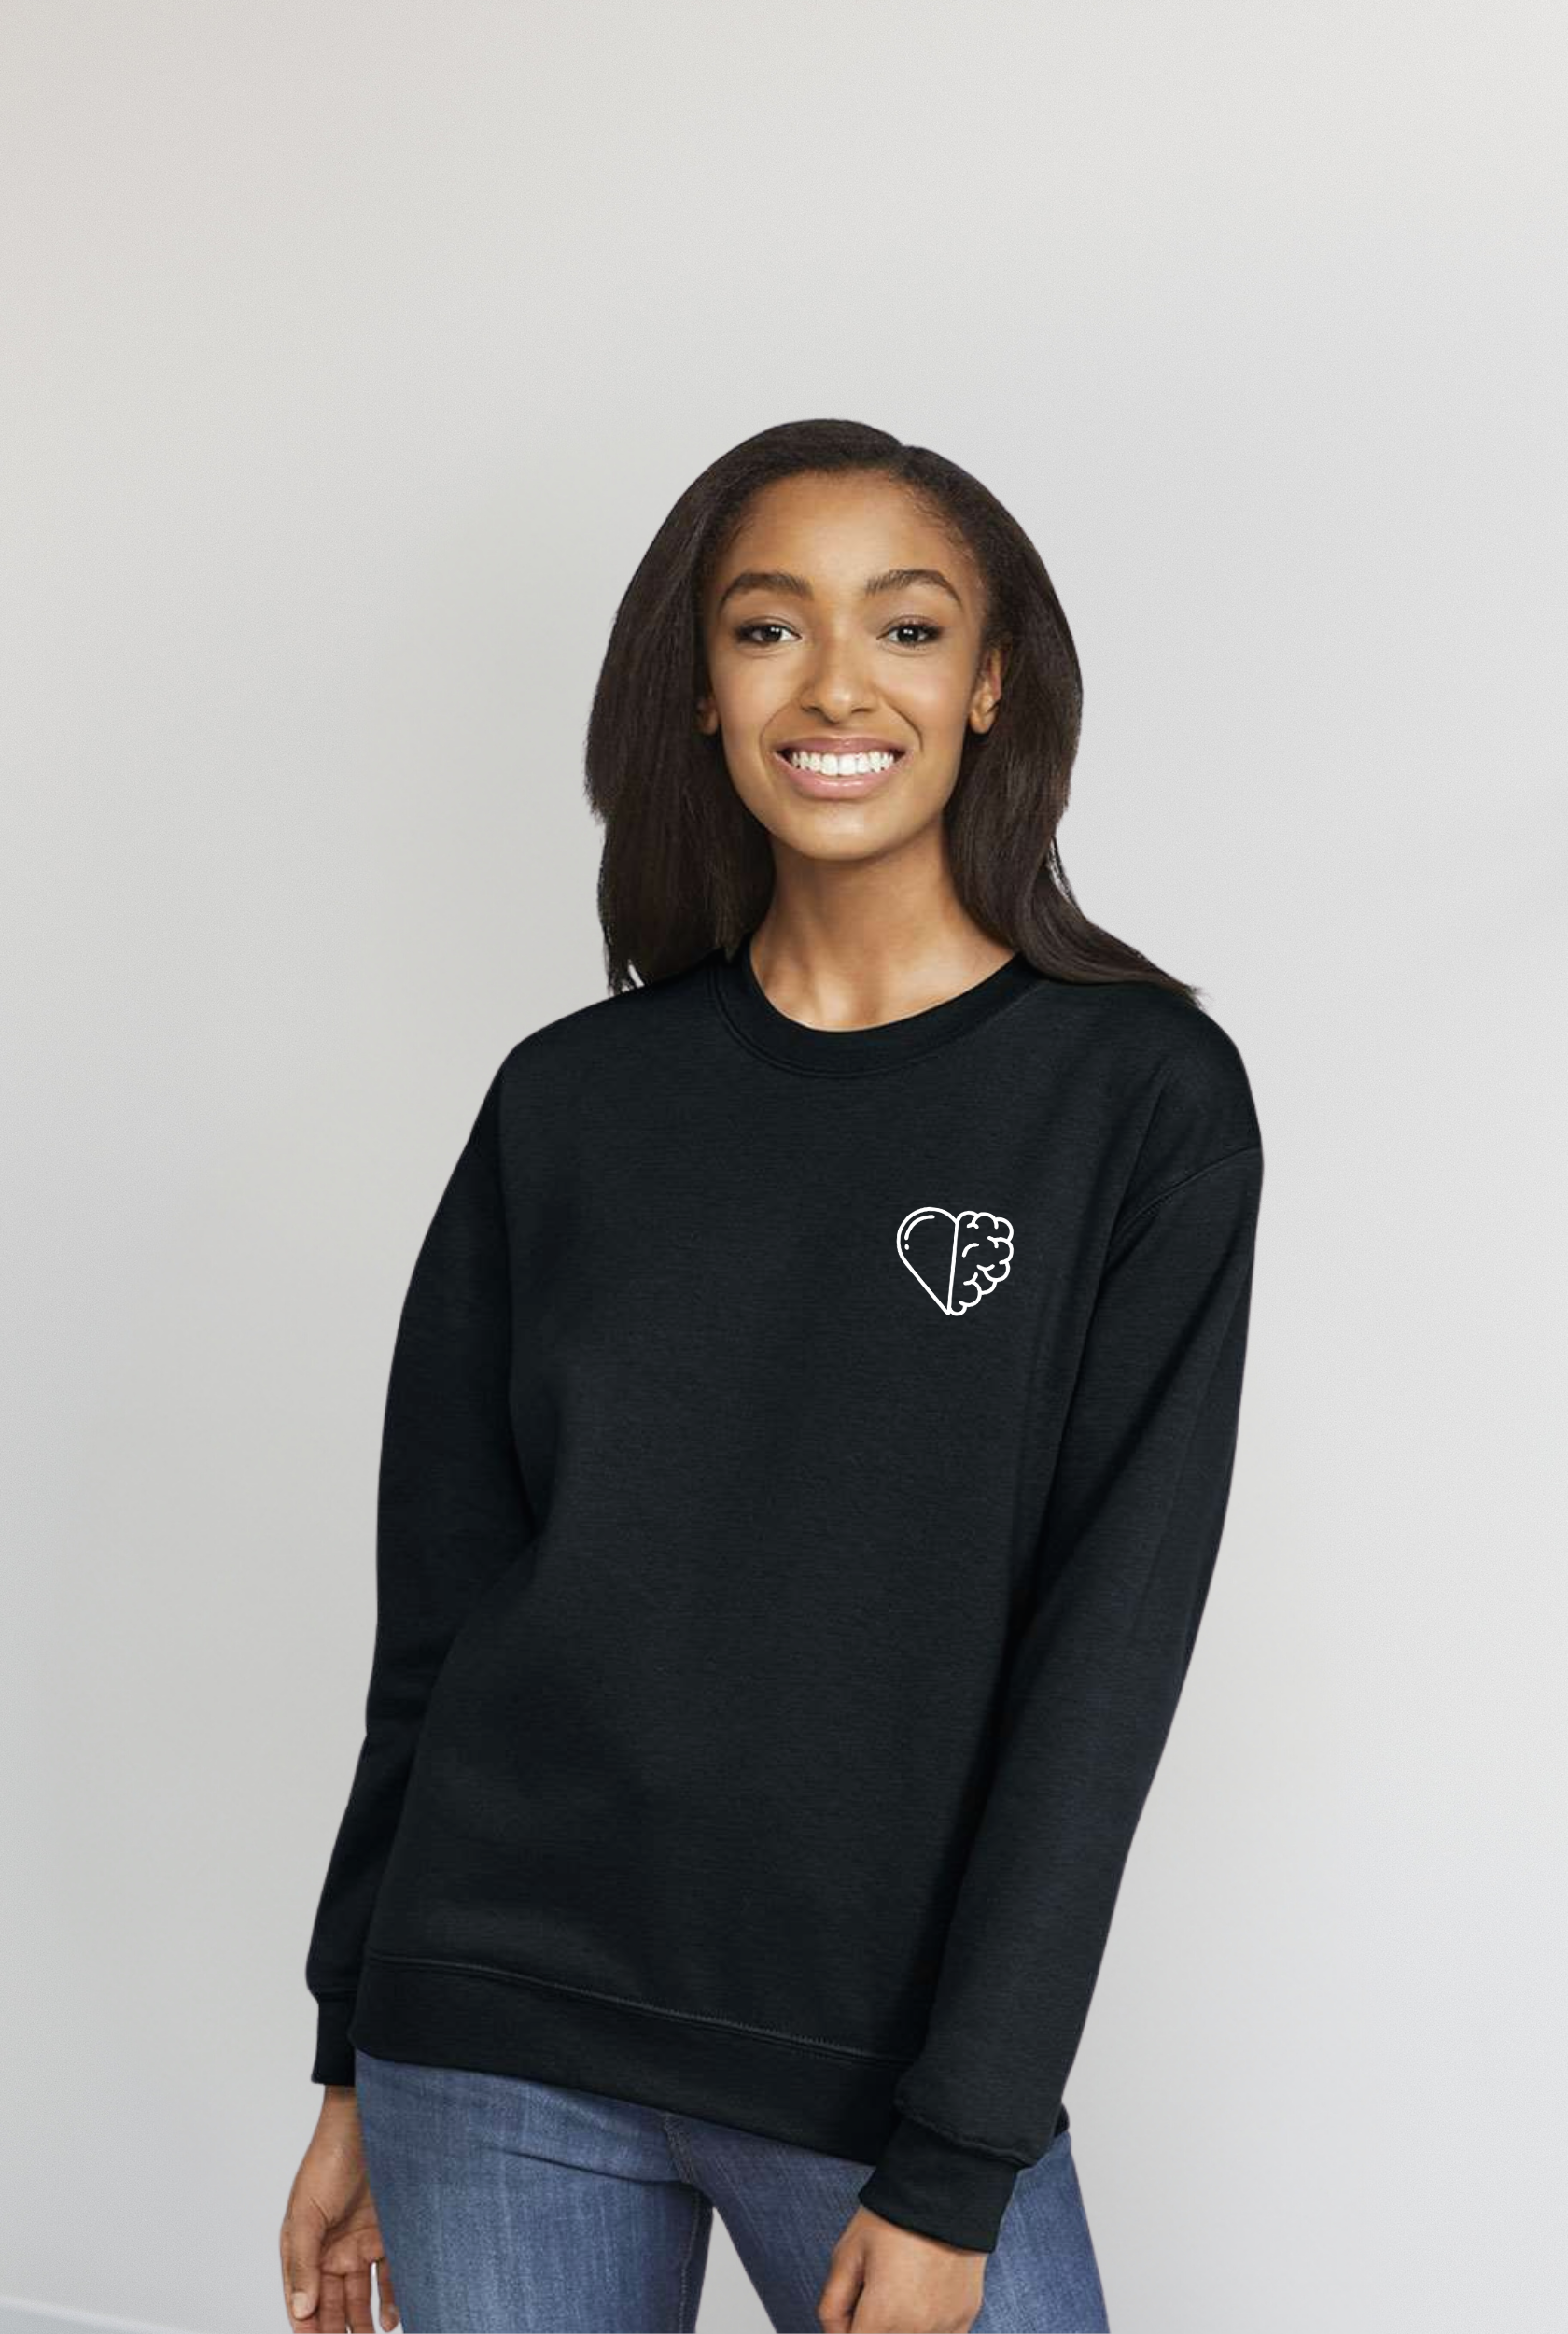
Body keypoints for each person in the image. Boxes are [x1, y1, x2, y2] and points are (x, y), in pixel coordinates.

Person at [279, 417, 1265, 2334]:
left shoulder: (1137, 1101)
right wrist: (347, 2053)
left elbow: (1104, 1665)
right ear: (701, 688)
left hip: (874, 2077)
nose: (834, 686)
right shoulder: (570, 1102)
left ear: (991, 684)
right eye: (765, 628)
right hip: (487, 2037)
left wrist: (962, 2150)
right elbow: (444, 1615)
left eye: (905, 627)